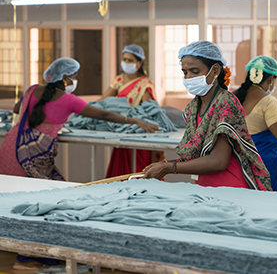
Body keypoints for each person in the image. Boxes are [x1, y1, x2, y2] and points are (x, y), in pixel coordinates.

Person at [0, 57, 159, 271]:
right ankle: (29, 257)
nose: (75, 80)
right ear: (65, 78)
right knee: (48, 204)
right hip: (34, 157)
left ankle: (37, 253)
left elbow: (19, 107)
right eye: (74, 77)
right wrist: (135, 121)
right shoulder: (68, 100)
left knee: (24, 202)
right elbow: (103, 114)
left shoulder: (32, 90)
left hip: (12, 149)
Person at [143, 41, 272, 191]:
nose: (189, 77)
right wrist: (162, 165)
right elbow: (194, 155)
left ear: (215, 70)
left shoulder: (226, 103)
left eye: (195, 71)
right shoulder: (194, 107)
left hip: (230, 188)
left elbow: (218, 161)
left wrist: (169, 168)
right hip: (205, 187)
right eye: (185, 72)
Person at [234, 55, 277, 192]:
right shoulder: (268, 102)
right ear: (271, 79)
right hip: (262, 173)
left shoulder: (233, 97)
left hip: (237, 170)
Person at [100, 44, 164, 178]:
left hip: (137, 133)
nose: (126, 63)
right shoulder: (118, 80)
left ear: (139, 63)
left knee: (137, 173)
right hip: (122, 129)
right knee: (121, 172)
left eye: (130, 60)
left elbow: (148, 109)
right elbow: (103, 101)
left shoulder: (144, 83)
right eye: (124, 59)